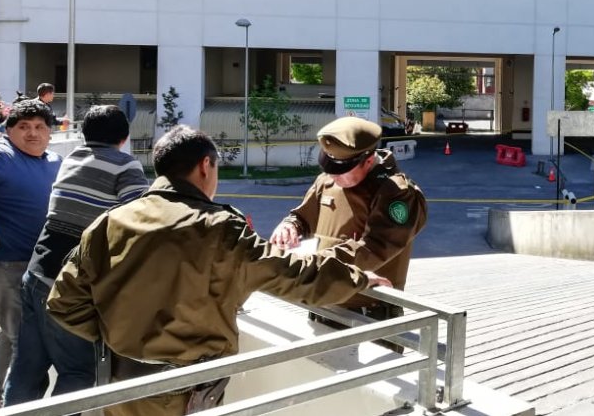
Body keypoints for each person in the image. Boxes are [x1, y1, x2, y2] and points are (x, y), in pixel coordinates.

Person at [47, 125, 391, 416]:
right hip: (184, 394)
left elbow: (64, 302)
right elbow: (294, 275)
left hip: (119, 388)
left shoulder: (110, 222)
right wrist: (357, 279)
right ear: (205, 166)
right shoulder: (218, 228)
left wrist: (117, 337)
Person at [3, 106, 149, 406]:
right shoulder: (126, 166)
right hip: (70, 286)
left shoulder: (71, 158)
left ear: (85, 134)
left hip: (36, 273)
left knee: (26, 369)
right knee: (79, 372)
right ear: (124, 138)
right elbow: (139, 225)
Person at [270, 116, 427, 336]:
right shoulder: (327, 180)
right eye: (329, 167)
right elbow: (303, 217)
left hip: (367, 311)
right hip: (324, 303)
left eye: (340, 170)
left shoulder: (397, 193)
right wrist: (290, 226)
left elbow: (373, 248)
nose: (332, 175)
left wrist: (313, 266)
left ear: (368, 161)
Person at [0, 100, 62, 409]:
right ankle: (18, 408)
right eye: (24, 127)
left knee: (11, 335)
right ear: (9, 130)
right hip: (7, 265)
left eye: (40, 127)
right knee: (26, 343)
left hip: (42, 267)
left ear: (50, 132)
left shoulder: (55, 161)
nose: (33, 133)